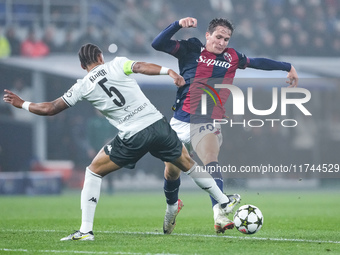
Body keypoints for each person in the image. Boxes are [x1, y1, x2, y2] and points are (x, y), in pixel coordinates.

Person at [3, 43, 240, 240]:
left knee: (93, 171)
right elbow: (140, 67)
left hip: (132, 135)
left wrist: (21, 103)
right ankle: (223, 201)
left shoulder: (82, 86)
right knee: (188, 163)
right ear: (100, 57)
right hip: (157, 124)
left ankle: (86, 230)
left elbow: (50, 108)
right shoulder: (116, 64)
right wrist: (167, 71)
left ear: (81, 65)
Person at [152, 17, 298, 233]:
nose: (221, 42)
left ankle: (219, 215)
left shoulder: (232, 57)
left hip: (207, 121)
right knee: (171, 173)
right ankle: (172, 207)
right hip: (179, 121)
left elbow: (258, 62)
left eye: (226, 39)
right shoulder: (191, 48)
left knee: (211, 159)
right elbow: (158, 44)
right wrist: (177, 24)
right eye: (218, 37)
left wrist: (287, 66)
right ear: (208, 35)